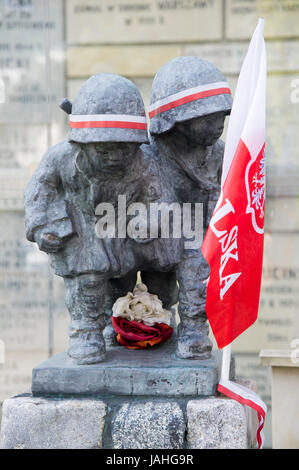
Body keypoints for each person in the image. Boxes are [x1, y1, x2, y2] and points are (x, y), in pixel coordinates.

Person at [141, 56, 233, 359]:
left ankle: (193, 328)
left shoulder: (219, 153)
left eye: (221, 116)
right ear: (175, 121)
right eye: (207, 118)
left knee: (196, 273)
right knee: (154, 290)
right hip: (152, 236)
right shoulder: (148, 154)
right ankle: (141, 327)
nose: (217, 125)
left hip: (198, 240)